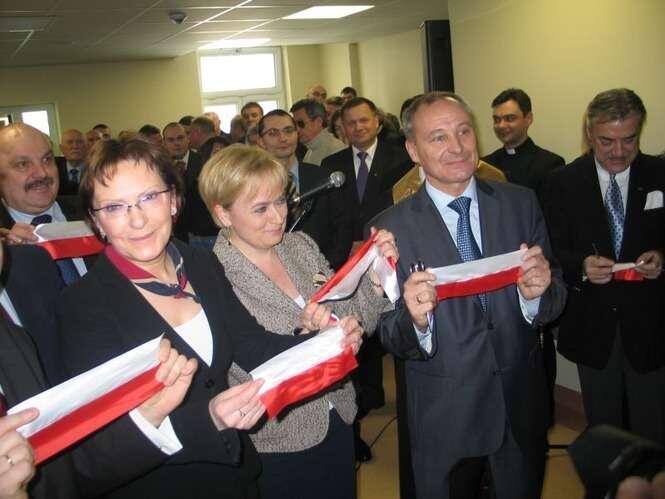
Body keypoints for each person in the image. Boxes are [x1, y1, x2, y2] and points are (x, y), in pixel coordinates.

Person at [58, 138, 362, 498]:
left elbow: (253, 345)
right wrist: (209, 419)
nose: (137, 219)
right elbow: (97, 451)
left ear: (173, 200)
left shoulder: (199, 264)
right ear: (96, 220)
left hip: (235, 474)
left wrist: (327, 343)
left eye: (149, 197)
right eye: (114, 207)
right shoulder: (82, 306)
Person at [373, 91, 566, 499]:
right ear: (413, 150)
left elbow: (555, 294)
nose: (457, 147)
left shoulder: (520, 203)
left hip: (518, 407)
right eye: (438, 137)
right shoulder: (390, 229)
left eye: (464, 131)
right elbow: (388, 332)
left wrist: (537, 295)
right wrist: (416, 321)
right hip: (444, 414)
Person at [198, 144, 394, 499]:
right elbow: (245, 365)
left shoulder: (299, 246)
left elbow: (356, 317)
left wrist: (375, 278)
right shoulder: (213, 275)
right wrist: (308, 337)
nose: (278, 217)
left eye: (280, 201)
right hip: (279, 437)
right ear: (223, 213)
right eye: (260, 208)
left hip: (338, 413)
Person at [544, 88, 665, 448]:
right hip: (593, 326)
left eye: (629, 140)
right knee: (605, 430)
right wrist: (580, 265)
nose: (619, 151)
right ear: (589, 132)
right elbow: (549, 249)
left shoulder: (660, 173)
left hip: (652, 325)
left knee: (652, 429)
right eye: (606, 141)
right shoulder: (562, 182)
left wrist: (662, 256)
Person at [256, 110, 351, 269]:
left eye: (288, 131)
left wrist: (324, 270)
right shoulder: (252, 184)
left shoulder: (324, 178)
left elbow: (342, 230)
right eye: (273, 133)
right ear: (261, 141)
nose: (283, 138)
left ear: (297, 134)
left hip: (324, 269)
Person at [0, 124, 91, 284]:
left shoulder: (92, 212)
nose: (42, 173)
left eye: (47, 159)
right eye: (23, 164)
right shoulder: (3, 241)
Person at [482, 88, 564, 203]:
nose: (501, 125)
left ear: (528, 118)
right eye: (497, 120)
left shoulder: (550, 164)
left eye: (509, 118)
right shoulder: (486, 165)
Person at [290, 99, 346, 166]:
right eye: (294, 124)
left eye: (300, 123)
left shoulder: (335, 149)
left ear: (318, 122)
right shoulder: (310, 149)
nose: (297, 129)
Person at [55, 129, 87, 195]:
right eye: (69, 142)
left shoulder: (95, 168)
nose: (75, 146)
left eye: (79, 142)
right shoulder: (54, 167)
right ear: (61, 148)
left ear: (86, 146)